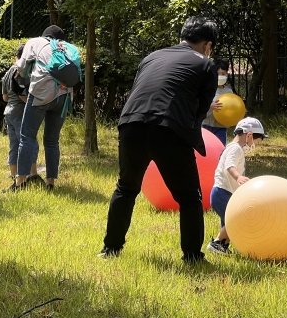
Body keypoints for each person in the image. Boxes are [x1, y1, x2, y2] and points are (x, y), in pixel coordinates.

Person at [100, 16, 219, 263]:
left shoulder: (151, 56)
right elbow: (198, 112)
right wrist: (193, 144)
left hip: (130, 123)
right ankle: (192, 256)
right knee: (189, 197)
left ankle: (110, 249)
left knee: (126, 188)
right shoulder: (206, 66)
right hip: (168, 129)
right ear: (207, 45)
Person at [5, 25, 73, 192]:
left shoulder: (36, 42)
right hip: (64, 96)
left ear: (45, 36)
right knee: (52, 140)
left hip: (41, 94)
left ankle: (20, 183)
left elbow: (20, 68)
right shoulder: (67, 49)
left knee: (27, 136)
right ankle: (50, 184)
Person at [206, 117, 267, 255]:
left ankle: (223, 246)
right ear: (249, 135)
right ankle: (216, 244)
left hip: (223, 193)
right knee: (237, 220)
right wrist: (238, 177)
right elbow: (230, 166)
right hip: (223, 192)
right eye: (256, 142)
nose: (254, 146)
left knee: (228, 222)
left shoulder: (231, 147)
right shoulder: (236, 149)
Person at [1, 44, 38, 186]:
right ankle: (32, 175)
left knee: (14, 145)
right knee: (30, 143)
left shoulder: (8, 72)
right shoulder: (23, 71)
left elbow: (5, 97)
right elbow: (23, 94)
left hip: (9, 112)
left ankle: (13, 175)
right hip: (21, 112)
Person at [201, 59, 234, 146]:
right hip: (206, 124)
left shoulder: (229, 91)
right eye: (218, 74)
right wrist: (209, 105)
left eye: (223, 74)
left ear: (227, 74)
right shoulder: (206, 89)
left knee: (220, 147)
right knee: (206, 147)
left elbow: (233, 106)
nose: (220, 76)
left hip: (221, 127)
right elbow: (198, 103)